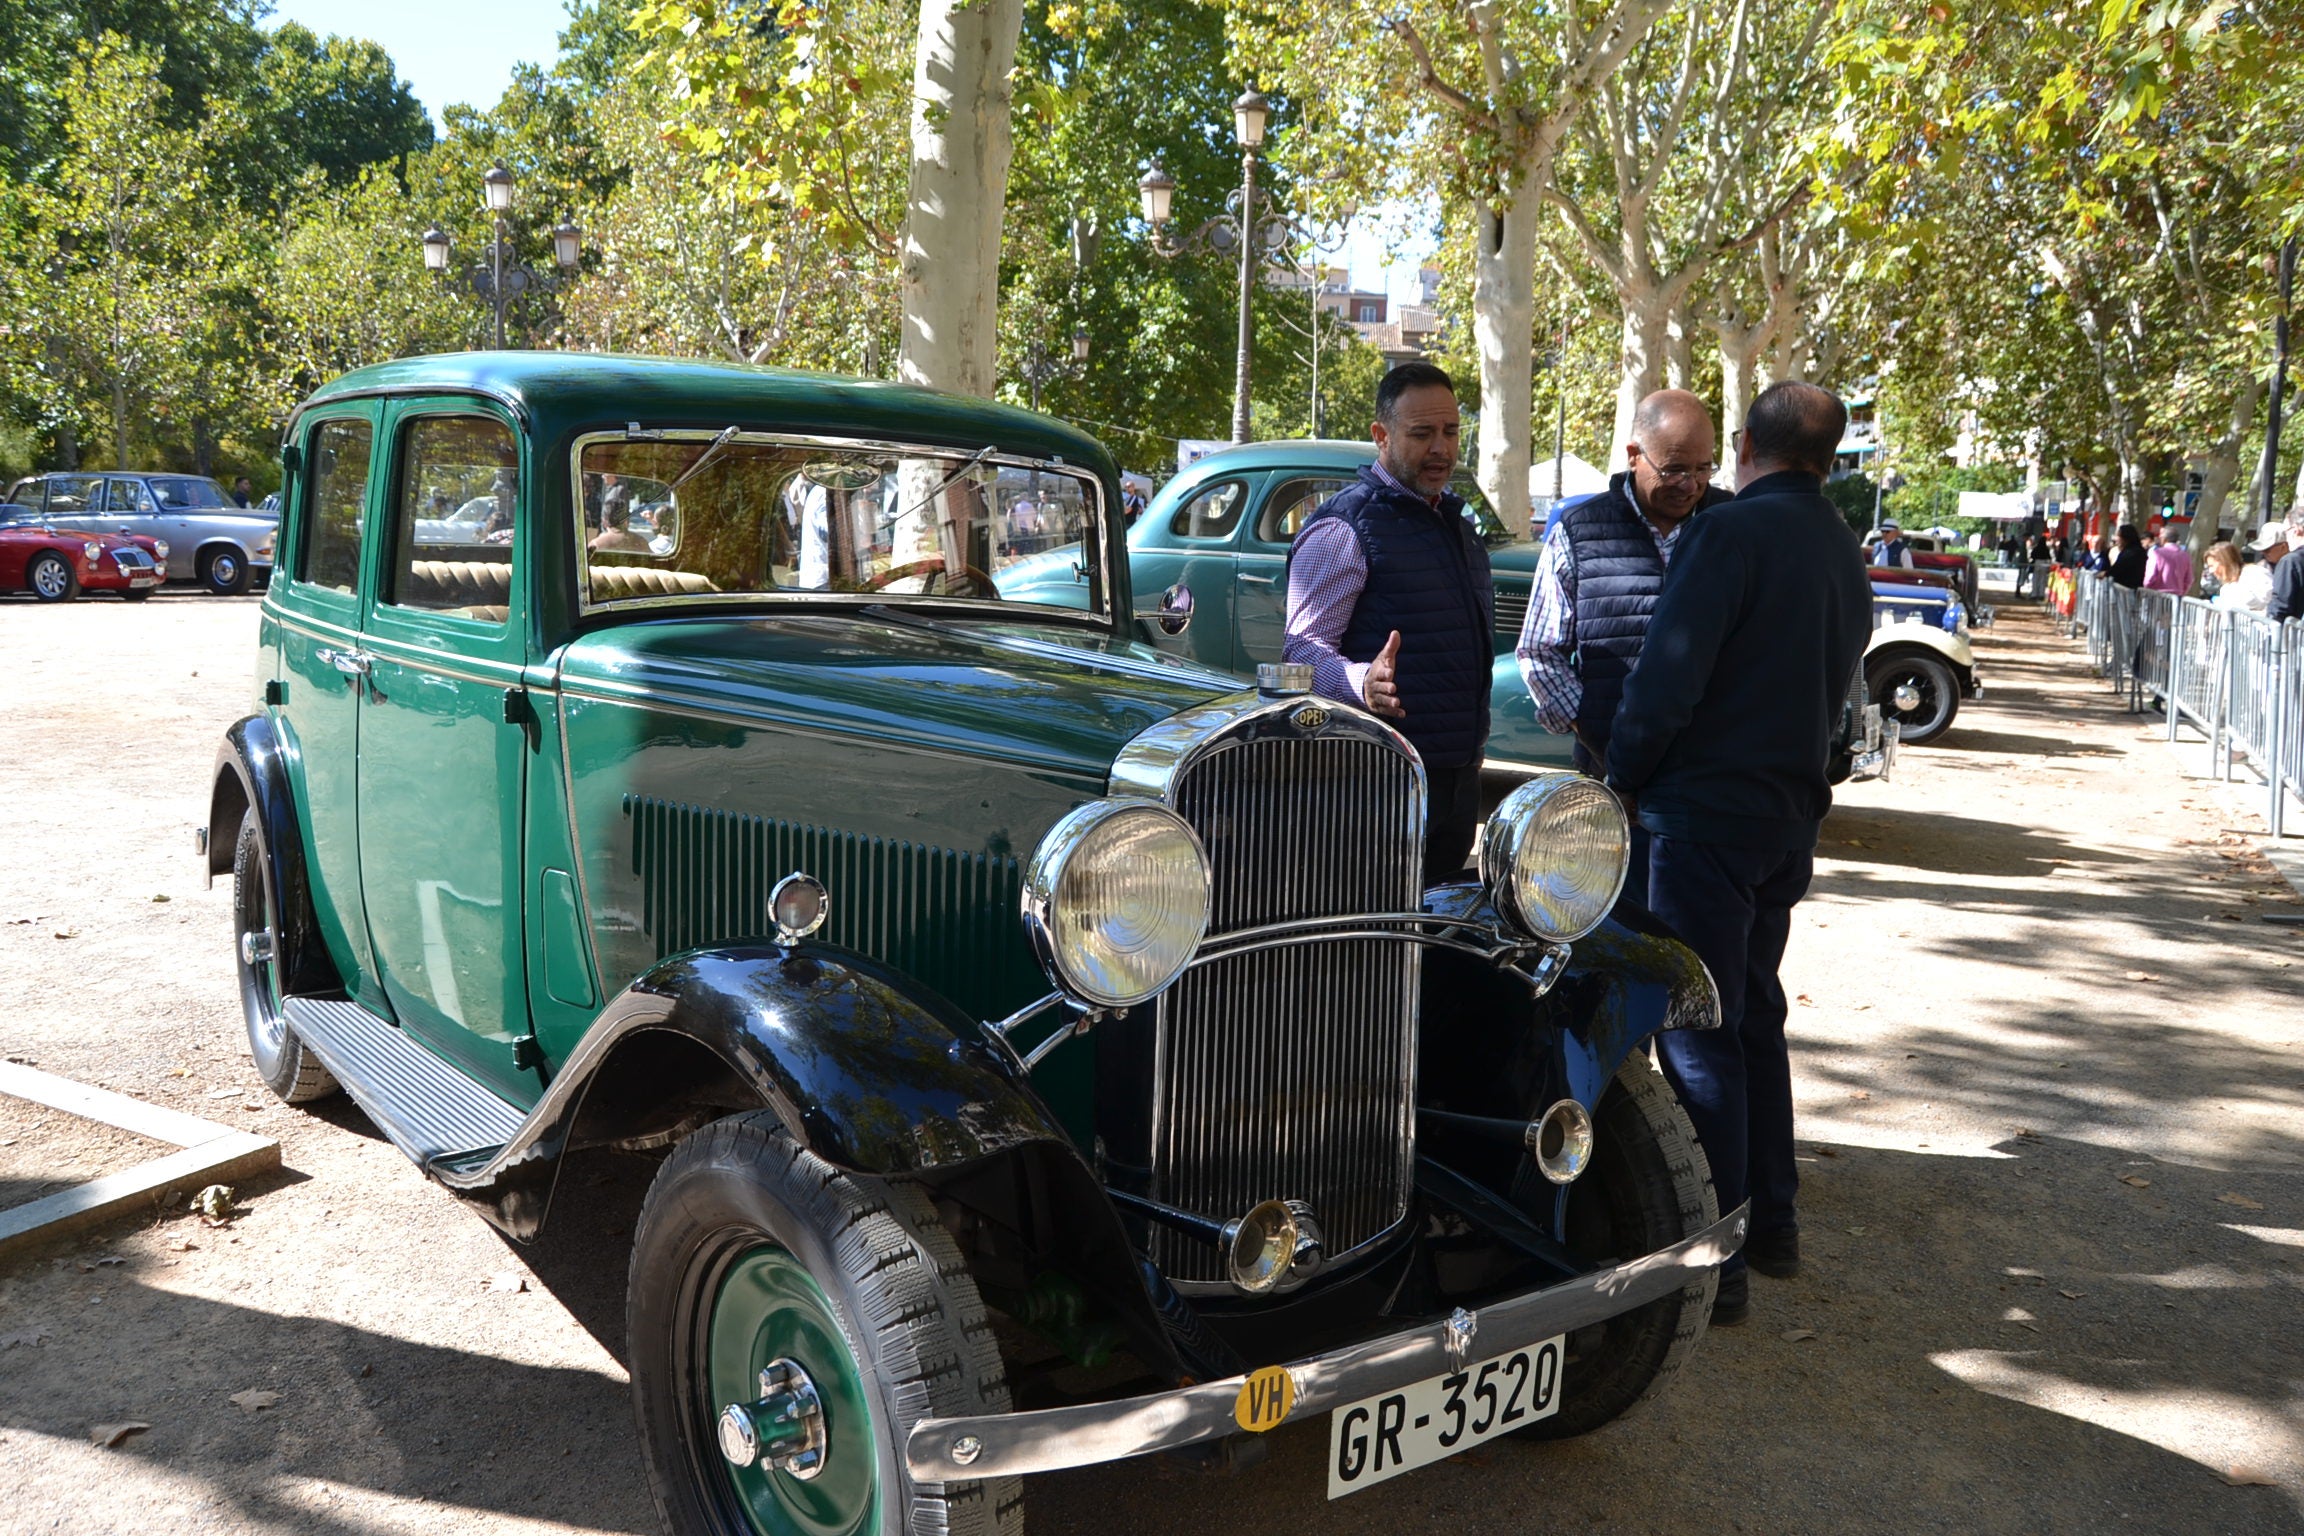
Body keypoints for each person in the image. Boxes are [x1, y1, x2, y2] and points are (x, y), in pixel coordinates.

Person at [1602, 380, 1872, 1329]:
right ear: (1827, 460)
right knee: (1754, 1018)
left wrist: (1622, 776)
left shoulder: (1729, 536)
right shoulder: (1845, 549)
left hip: (1704, 820)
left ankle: (1716, 1262)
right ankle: (1773, 1224)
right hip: (1783, 820)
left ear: (1747, 450)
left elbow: (1667, 681)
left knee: (1702, 1031)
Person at [1285, 362, 1491, 885]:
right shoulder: (1343, 527)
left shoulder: (1456, 525)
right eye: (1422, 434)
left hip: (1455, 781)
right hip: (1375, 784)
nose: (1441, 448)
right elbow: (1300, 651)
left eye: (1450, 432)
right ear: (1381, 435)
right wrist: (1361, 683)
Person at [1515, 387, 1730, 890]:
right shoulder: (1578, 530)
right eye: (1675, 469)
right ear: (1634, 455)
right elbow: (1539, 652)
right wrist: (1607, 744)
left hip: (1711, 789)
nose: (1691, 484)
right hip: (1611, 791)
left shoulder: (1731, 526)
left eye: (1704, 469)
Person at [2206, 542, 2272, 613]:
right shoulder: (2226, 587)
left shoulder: (2255, 573)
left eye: (2212, 566)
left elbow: (2267, 601)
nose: (2211, 571)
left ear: (2224, 562)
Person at [2268, 511, 2304, 622]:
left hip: (2293, 633)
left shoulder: (2290, 561)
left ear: (2296, 530)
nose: (2285, 537)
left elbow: (2281, 604)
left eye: (2285, 531)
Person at [2143, 524, 2193, 595]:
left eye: (2160, 536)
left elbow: (2150, 577)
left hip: (2157, 595)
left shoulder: (2156, 554)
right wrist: (2181, 591)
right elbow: (2189, 579)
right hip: (2177, 596)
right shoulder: (2185, 556)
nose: (2159, 538)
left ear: (2164, 539)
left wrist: (2147, 588)